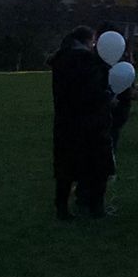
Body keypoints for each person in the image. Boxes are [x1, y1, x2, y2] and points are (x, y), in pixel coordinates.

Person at [48, 27, 114, 220]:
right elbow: (93, 93)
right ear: (88, 42)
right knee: (97, 166)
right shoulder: (90, 63)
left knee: (65, 168)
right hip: (91, 121)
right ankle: (95, 207)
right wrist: (108, 97)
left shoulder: (60, 60)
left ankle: (62, 207)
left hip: (65, 121)